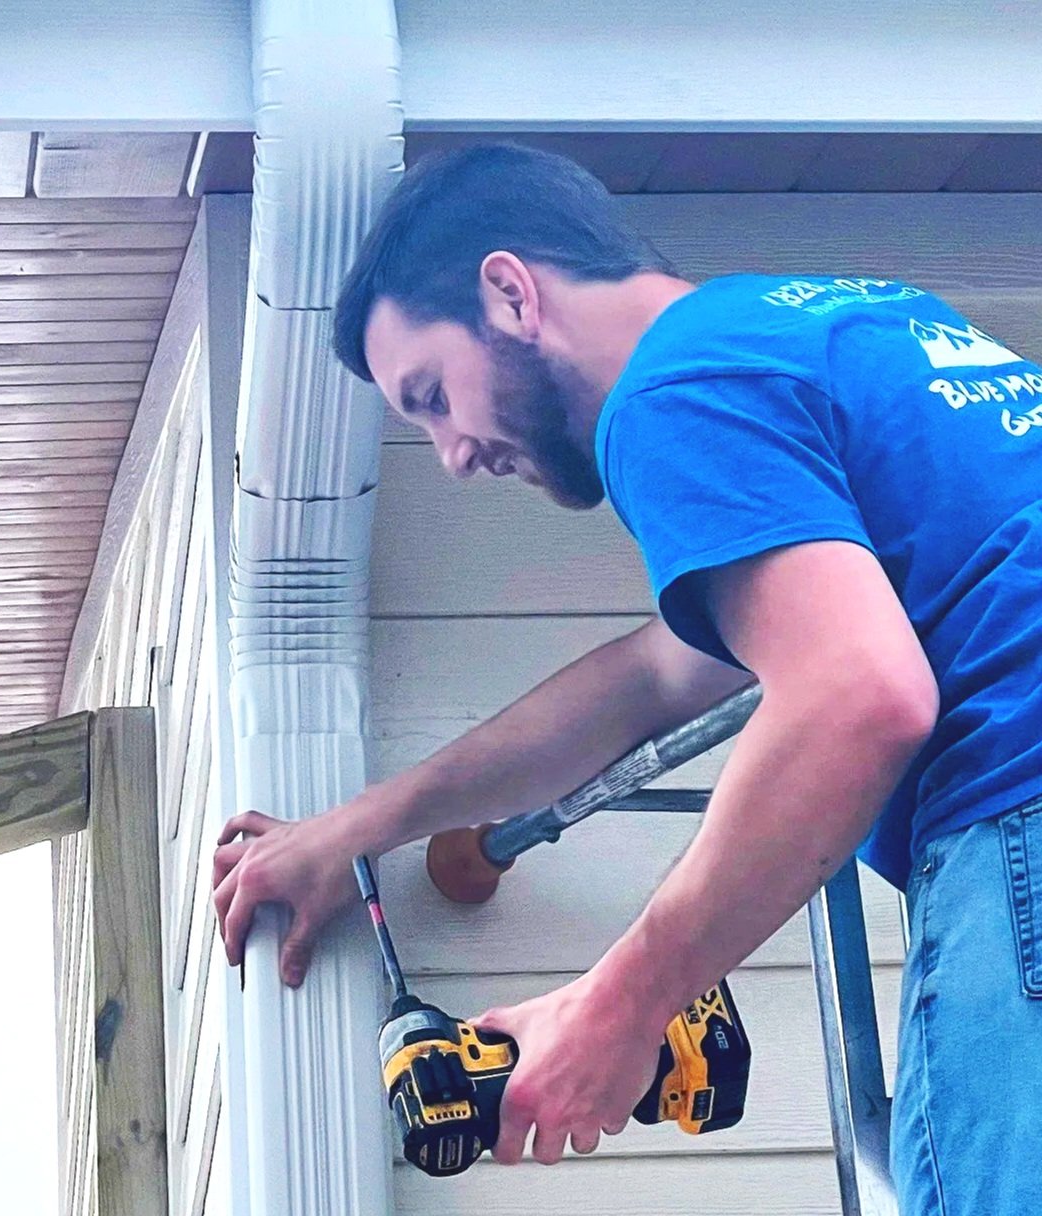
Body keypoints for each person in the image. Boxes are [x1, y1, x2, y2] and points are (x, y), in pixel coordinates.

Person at [212, 143, 1042, 1213]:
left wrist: (624, 1004)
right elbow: (651, 680)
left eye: (430, 394)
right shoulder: (829, 325)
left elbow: (858, 692)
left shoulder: (670, 390)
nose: (452, 454)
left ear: (509, 294)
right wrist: (359, 828)